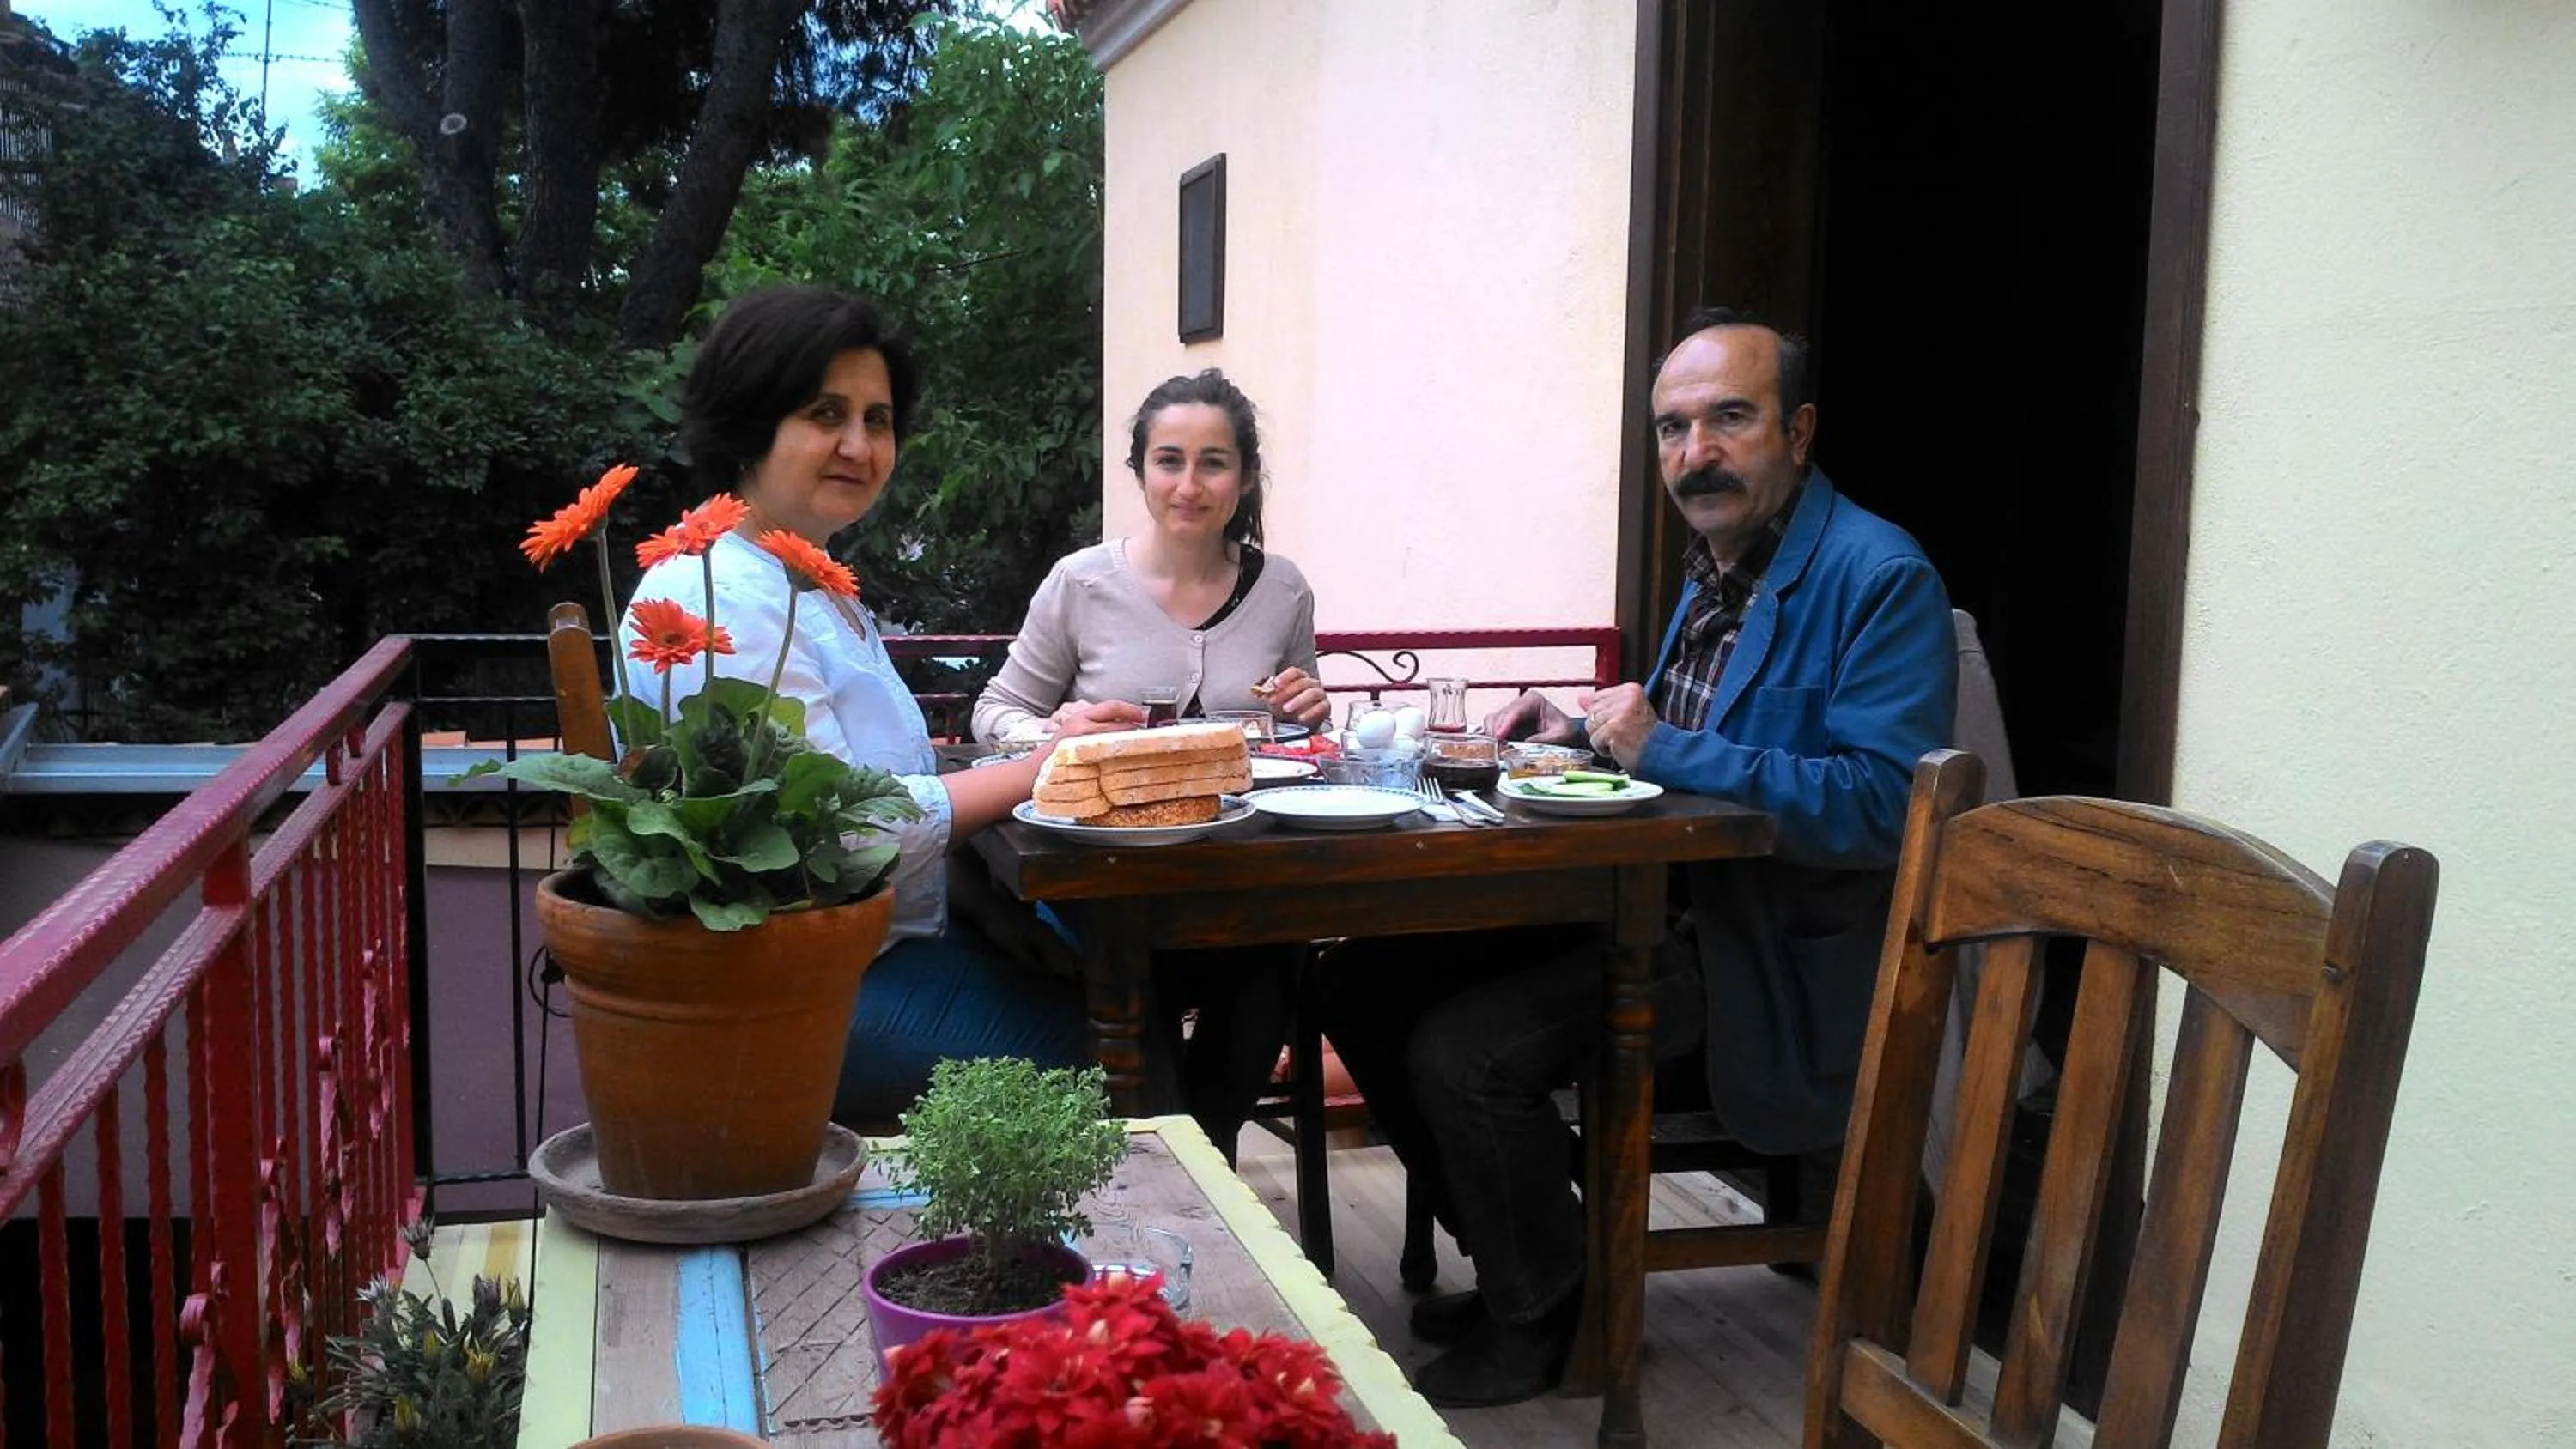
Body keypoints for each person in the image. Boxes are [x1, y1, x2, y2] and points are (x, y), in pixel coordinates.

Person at [1318, 309, 1957, 1407]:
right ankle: (1548, 1261)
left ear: (1799, 432)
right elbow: (1682, 751)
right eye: (1673, 428)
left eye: (1729, 419)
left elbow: (1885, 807)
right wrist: (1575, 734)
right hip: (1653, 912)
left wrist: (1659, 743)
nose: (1695, 451)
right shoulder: (1719, 566)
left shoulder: (1878, 576)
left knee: (1464, 1051)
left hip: (1762, 955)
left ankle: (1551, 1317)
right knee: (1359, 981)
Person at [622, 284, 1100, 1128]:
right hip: (788, 995)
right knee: (1110, 1044)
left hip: (871, 949)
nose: (857, 444)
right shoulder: (713, 593)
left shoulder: (802, 578)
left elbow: (877, 786)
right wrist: (1043, 770)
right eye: (825, 412)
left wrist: (1037, 762)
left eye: (877, 420)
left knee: (1130, 971)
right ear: (748, 421)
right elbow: (836, 832)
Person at [970, 369, 1333, 1161]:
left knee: (1272, 972)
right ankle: (1189, 1175)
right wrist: (1050, 729)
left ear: (1244, 477)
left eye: (1214, 462)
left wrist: (1309, 710)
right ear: (1139, 471)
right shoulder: (1082, 582)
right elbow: (992, 711)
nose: (1190, 484)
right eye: (1170, 460)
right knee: (1139, 995)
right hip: (1112, 886)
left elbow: (1299, 734)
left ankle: (1200, 1166)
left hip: (1240, 879)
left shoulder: (1282, 588)